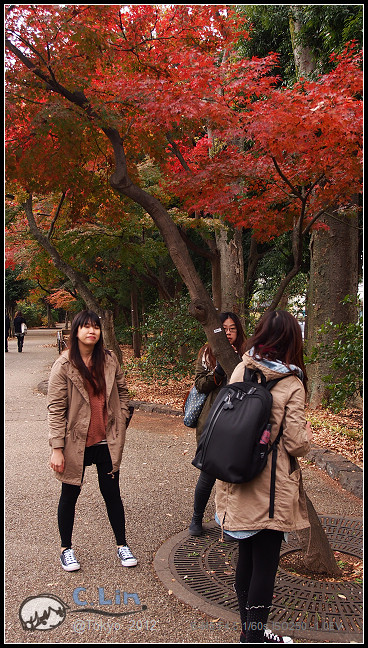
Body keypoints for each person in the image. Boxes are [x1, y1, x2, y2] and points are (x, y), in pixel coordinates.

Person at [215, 310, 313, 644]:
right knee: (265, 565)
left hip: (237, 474)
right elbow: (297, 444)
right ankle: (254, 637)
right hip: (270, 488)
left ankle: (249, 631)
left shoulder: (243, 367)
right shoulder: (292, 382)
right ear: (291, 341)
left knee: (245, 557)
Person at [48, 309, 137, 572]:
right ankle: (66, 549)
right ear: (75, 331)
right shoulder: (64, 365)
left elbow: (122, 391)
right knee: (70, 494)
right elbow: (55, 408)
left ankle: (122, 545)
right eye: (85, 326)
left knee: (112, 494)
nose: (91, 331)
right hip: (75, 441)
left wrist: (120, 419)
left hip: (105, 440)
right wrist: (57, 448)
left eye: (95, 327)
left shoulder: (109, 360)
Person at [189, 311, 247, 536]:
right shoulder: (206, 352)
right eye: (225, 329)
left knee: (237, 475)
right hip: (213, 421)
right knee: (208, 473)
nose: (229, 333)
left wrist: (236, 362)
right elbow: (200, 385)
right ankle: (196, 518)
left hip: (240, 420)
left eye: (233, 329)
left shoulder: (247, 352)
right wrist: (219, 370)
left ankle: (234, 523)